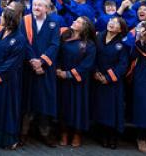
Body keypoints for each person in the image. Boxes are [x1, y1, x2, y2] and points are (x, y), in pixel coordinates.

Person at [21, 0, 61, 146]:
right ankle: (23, 132)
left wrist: (42, 62)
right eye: (34, 5)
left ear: (46, 8)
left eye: (40, 5)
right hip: (29, 67)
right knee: (27, 100)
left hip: (46, 69)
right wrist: (33, 62)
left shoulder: (54, 22)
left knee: (45, 101)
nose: (36, 8)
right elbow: (24, 43)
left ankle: (45, 133)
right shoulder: (25, 21)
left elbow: (54, 45)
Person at [0, 8, 26, 149]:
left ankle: (8, 140)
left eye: (2, 16)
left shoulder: (19, 38)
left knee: (7, 108)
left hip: (8, 79)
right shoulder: (0, 32)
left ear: (9, 19)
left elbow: (15, 60)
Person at [55, 16, 95, 148]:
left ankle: (77, 133)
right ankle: (64, 132)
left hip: (79, 81)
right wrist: (58, 69)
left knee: (79, 107)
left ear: (84, 27)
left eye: (78, 22)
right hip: (62, 80)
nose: (74, 22)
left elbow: (87, 64)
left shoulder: (89, 44)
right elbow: (58, 55)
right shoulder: (64, 37)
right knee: (64, 106)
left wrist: (69, 74)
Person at [91, 15, 130, 149]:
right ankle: (102, 135)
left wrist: (108, 78)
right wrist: (95, 72)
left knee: (112, 110)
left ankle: (112, 136)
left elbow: (123, 65)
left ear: (120, 29)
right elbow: (92, 56)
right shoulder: (98, 37)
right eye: (111, 21)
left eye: (116, 23)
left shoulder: (122, 44)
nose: (111, 23)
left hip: (113, 82)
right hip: (97, 78)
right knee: (100, 108)